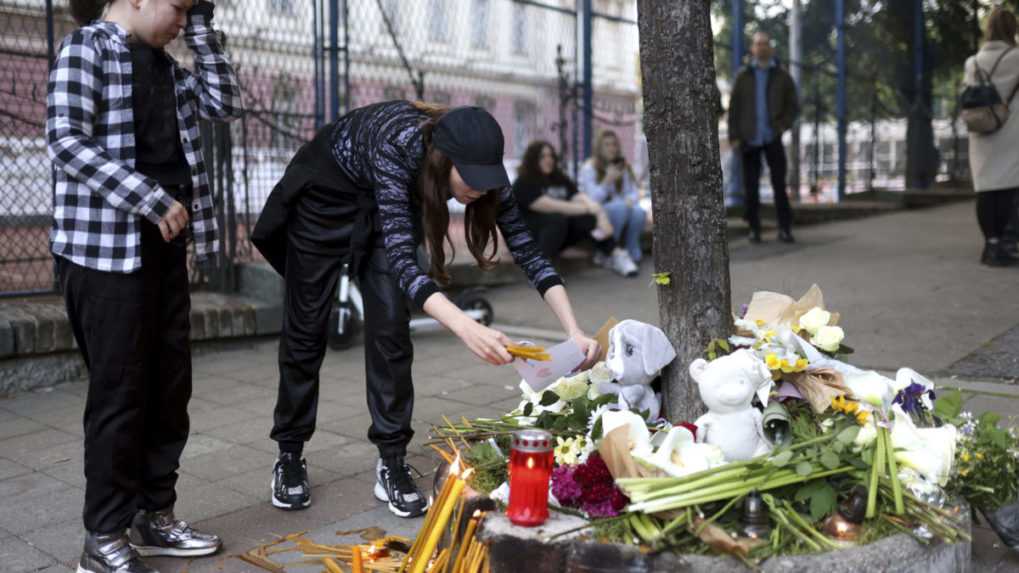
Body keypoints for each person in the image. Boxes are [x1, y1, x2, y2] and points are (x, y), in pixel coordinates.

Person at [251, 101, 600, 518]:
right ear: (442, 159)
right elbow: (404, 263)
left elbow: (529, 251)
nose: (480, 189)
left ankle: (392, 460)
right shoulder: (396, 147)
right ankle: (289, 455)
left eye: (487, 179)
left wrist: (575, 331)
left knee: (392, 333)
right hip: (324, 205)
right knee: (306, 332)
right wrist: (466, 327)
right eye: (471, 178)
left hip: (384, 211)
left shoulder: (483, 172)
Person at [47, 0, 241, 571]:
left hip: (164, 254)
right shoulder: (86, 49)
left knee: (168, 390)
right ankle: (102, 537)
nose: (184, 18)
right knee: (121, 395)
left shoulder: (169, 67)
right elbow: (65, 139)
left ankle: (154, 515)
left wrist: (201, 27)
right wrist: (150, 198)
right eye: (180, 7)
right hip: (105, 257)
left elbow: (225, 104)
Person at [512, 141, 637, 277]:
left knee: (587, 219)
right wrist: (591, 209)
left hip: (559, 236)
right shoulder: (523, 182)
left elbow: (579, 196)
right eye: (542, 156)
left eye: (551, 156)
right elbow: (552, 206)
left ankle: (615, 254)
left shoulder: (559, 178)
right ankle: (539, 268)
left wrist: (599, 213)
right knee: (558, 218)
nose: (548, 160)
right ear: (532, 159)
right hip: (533, 239)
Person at [728, 30, 799, 244]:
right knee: (751, 187)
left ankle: (785, 229)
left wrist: (782, 126)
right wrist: (734, 136)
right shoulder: (743, 76)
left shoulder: (782, 76)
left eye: (765, 44)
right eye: (758, 44)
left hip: (772, 137)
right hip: (749, 139)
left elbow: (794, 106)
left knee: (779, 184)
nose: (761, 47)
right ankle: (754, 229)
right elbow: (734, 109)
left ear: (771, 48)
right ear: (752, 48)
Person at [964, 7, 1019, 267]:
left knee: (986, 190)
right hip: (1010, 130)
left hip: (981, 130)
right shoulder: (1017, 56)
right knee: (1006, 189)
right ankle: (1003, 247)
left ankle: (991, 245)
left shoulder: (972, 62)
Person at [578, 130, 647, 265]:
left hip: (622, 207)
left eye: (614, 144)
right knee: (619, 208)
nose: (611, 148)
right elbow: (592, 198)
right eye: (607, 145)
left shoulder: (622, 166)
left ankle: (631, 249)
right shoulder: (589, 168)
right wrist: (607, 181)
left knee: (639, 212)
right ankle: (607, 250)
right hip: (597, 211)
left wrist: (630, 200)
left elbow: (632, 191)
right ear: (599, 147)